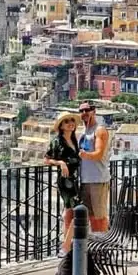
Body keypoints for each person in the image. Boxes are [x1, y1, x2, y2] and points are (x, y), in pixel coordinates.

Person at [44, 112, 82, 253]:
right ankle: (66, 246)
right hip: (66, 181)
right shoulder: (57, 141)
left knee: (73, 212)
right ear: (61, 126)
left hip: (76, 179)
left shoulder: (74, 140)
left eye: (72, 121)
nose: (70, 123)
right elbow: (46, 159)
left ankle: (67, 243)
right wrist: (60, 162)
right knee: (73, 211)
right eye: (67, 122)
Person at [78, 101, 111, 233]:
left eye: (88, 110)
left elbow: (98, 154)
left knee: (99, 216)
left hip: (97, 179)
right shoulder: (84, 131)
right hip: (85, 180)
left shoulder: (99, 130)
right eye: (81, 111)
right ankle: (95, 244)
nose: (84, 113)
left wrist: (84, 155)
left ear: (94, 111)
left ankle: (103, 245)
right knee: (89, 216)